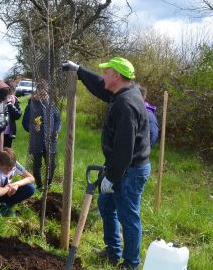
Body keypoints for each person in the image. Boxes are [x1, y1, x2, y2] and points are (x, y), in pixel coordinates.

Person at [63, 57, 151, 270]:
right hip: (122, 165)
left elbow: (124, 148)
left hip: (130, 169)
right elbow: (102, 88)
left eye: (106, 73)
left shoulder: (126, 104)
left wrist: (112, 177)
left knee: (128, 216)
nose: (102, 76)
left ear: (117, 76)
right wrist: (80, 71)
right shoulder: (125, 93)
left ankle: (130, 264)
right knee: (106, 205)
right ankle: (113, 251)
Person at [22, 80, 61, 190]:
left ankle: (48, 184)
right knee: (37, 165)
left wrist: (57, 130)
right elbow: (25, 123)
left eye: (45, 94)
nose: (43, 96)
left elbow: (58, 120)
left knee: (52, 165)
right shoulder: (31, 106)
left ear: (48, 93)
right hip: (36, 141)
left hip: (50, 140)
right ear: (36, 93)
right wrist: (33, 128)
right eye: (40, 94)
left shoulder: (52, 105)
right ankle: (39, 185)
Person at [0, 147, 35, 217]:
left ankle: (6, 205)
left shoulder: (14, 164)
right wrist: (8, 187)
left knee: (30, 188)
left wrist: (16, 185)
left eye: (11, 169)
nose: (9, 171)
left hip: (2, 190)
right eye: (6, 169)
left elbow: (31, 178)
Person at [2, 80, 22, 148]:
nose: (9, 96)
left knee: (7, 151)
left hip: (9, 132)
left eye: (11, 94)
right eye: (7, 94)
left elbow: (17, 116)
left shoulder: (14, 101)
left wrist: (10, 105)